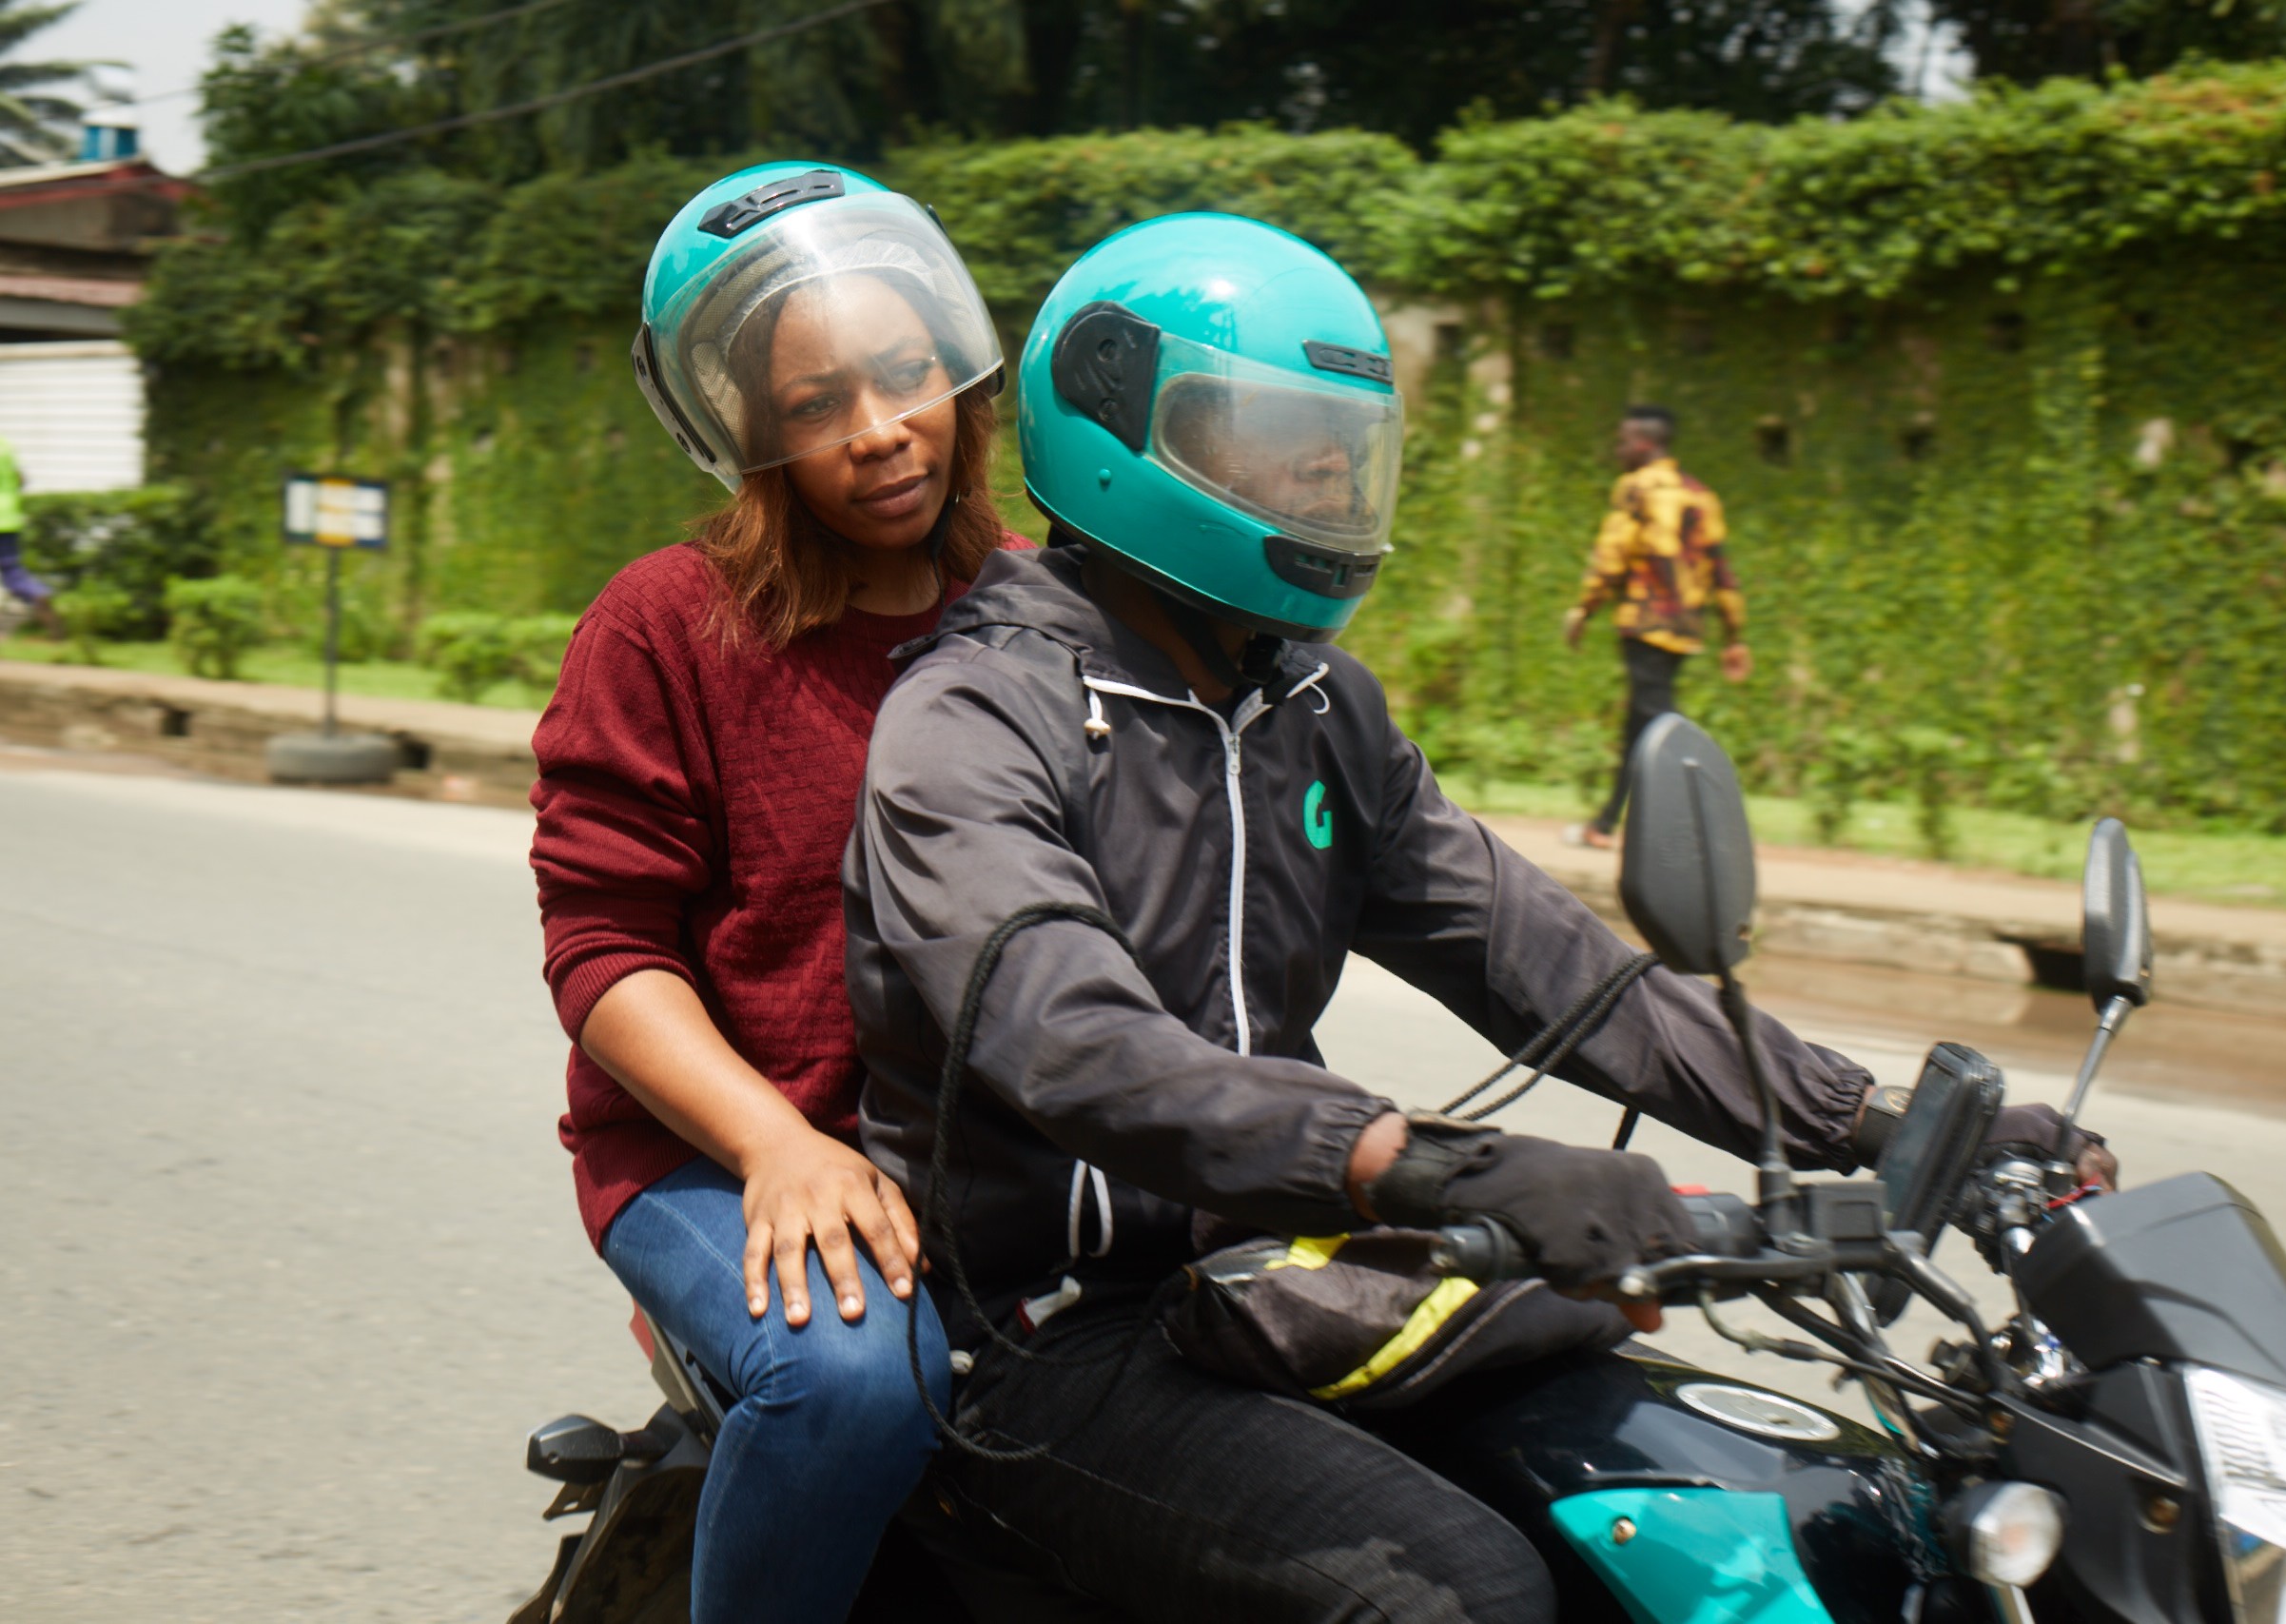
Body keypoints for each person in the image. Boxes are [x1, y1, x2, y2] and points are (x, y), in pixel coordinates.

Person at [842, 215, 2111, 1622]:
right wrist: (1436, 1167)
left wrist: (1871, 1121)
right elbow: (1078, 1044)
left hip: (1282, 1277)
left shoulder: (1312, 706)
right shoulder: (974, 719)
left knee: (1736, 1505)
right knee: (1465, 1595)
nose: (1326, 478)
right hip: (1050, 1331)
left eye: (1343, 446)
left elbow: (1548, 965)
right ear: (1119, 432)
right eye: (1279, 442)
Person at [527, 161, 1024, 1623]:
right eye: (814, 405)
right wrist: (775, 1143)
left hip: (990, 1156)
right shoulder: (667, 624)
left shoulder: (1037, 609)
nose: (877, 431)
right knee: (856, 1376)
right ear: (748, 433)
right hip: (713, 1151)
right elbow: (604, 944)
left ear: (960, 371)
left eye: (905, 375)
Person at [1560, 405, 1749, 850]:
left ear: (1645, 444)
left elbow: (1612, 556)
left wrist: (1584, 609)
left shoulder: (1637, 488)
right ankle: (1605, 823)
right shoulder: (1701, 496)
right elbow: (1722, 570)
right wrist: (1734, 636)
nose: (1618, 449)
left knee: (1662, 725)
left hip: (1645, 624)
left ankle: (1699, 826)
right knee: (1641, 726)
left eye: (1624, 441)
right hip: (1685, 629)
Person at [0, 431, 61, 637]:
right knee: (12, 570)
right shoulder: (5, 444)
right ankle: (36, 593)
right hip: (9, 518)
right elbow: (20, 479)